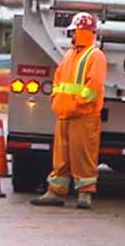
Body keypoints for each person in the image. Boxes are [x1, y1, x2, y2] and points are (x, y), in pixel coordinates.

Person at [31, 12, 107, 209]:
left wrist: (75, 103)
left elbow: (94, 86)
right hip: (65, 114)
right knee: (61, 157)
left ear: (82, 32)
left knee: (83, 156)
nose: (70, 35)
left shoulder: (95, 56)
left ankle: (85, 194)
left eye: (74, 31)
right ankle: (55, 191)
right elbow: (58, 81)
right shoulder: (70, 55)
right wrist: (57, 101)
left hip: (84, 115)